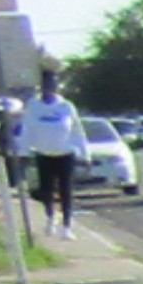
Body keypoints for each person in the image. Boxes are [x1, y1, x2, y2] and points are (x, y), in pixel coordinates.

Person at [10, 74, 84, 236]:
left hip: (65, 153)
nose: (48, 90)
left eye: (52, 86)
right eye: (45, 86)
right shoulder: (34, 106)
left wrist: (85, 153)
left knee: (66, 189)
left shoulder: (66, 106)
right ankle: (50, 218)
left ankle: (66, 225)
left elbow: (77, 130)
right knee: (46, 189)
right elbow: (27, 129)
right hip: (43, 153)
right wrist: (23, 151)